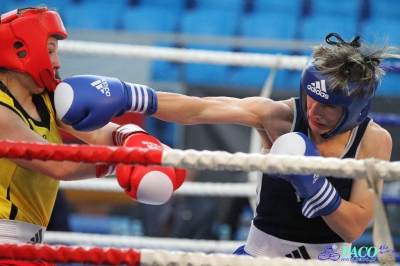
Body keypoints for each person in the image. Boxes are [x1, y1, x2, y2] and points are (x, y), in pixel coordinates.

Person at [54, 33, 398, 259]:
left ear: (355, 109)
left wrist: (311, 183)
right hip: (259, 257)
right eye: (311, 98)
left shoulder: (373, 140)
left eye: (329, 106)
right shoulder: (279, 117)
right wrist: (130, 96)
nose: (314, 111)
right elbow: (202, 108)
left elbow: (353, 227)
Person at [0, 6, 185, 265]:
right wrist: (125, 159)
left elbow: (101, 135)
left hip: (27, 248)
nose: (57, 62)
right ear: (21, 50)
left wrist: (134, 137)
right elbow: (58, 164)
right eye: (50, 50)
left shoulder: (47, 100)